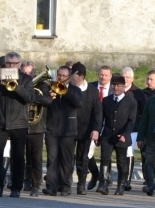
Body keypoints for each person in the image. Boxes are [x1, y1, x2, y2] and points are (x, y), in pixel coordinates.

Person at [0, 52, 34, 198]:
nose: (11, 66)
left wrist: (17, 87)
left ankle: (16, 187)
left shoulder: (26, 79)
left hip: (19, 123)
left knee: (17, 156)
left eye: (14, 64)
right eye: (8, 64)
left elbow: (30, 97)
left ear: (19, 64)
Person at [43, 65, 82, 196]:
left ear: (69, 77)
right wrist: (50, 97)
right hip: (52, 128)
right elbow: (44, 104)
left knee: (66, 160)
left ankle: (65, 186)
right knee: (52, 159)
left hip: (68, 131)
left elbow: (78, 103)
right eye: (59, 75)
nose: (61, 78)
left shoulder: (75, 90)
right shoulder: (49, 88)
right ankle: (51, 187)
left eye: (64, 76)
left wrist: (64, 92)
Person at [96, 74, 137, 195]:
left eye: (119, 85)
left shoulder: (131, 101)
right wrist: (98, 132)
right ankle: (103, 183)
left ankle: (121, 184)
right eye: (114, 85)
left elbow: (132, 120)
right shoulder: (107, 100)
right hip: (107, 135)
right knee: (104, 159)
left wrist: (125, 134)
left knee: (121, 161)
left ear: (124, 87)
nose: (116, 88)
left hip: (122, 136)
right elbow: (101, 118)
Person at [69, 62, 101, 195]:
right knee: (67, 157)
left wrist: (96, 129)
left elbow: (97, 112)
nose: (71, 77)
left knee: (83, 158)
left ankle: (81, 184)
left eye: (73, 75)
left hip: (85, 129)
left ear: (81, 76)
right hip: (69, 129)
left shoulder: (93, 91)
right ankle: (65, 183)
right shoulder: (68, 87)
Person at [23, 61, 52, 196]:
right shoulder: (19, 85)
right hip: (22, 125)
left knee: (36, 158)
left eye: (30, 73)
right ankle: (26, 180)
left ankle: (36, 184)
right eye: (25, 73)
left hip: (37, 126)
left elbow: (47, 101)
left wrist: (31, 97)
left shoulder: (43, 86)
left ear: (34, 73)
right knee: (23, 156)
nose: (28, 75)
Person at [86, 65, 113, 191]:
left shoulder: (114, 89)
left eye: (106, 75)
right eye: (101, 74)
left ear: (110, 76)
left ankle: (103, 181)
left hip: (108, 126)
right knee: (88, 153)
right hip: (92, 125)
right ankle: (95, 174)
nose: (103, 77)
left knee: (105, 155)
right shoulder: (90, 87)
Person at [122, 66, 146, 191]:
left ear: (132, 79)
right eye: (124, 77)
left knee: (129, 152)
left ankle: (127, 180)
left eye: (128, 77)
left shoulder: (138, 93)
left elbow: (144, 111)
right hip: (119, 127)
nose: (125, 79)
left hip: (134, 128)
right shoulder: (116, 90)